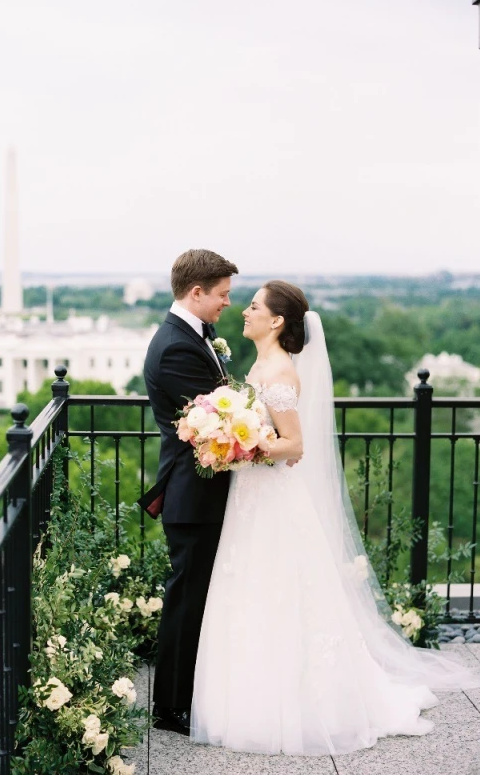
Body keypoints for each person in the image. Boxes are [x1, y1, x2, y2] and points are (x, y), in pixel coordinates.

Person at [191, 280, 480, 756]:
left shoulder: (281, 372)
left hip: (273, 500)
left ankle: (300, 704)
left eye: (254, 305)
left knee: (282, 589)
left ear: (277, 320)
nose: (245, 310)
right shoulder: (260, 363)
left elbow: (295, 445)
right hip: (252, 495)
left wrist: (246, 443)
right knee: (251, 587)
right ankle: (249, 699)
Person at [138, 249, 239, 735]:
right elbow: (213, 424)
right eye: (221, 295)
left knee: (198, 595)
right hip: (193, 496)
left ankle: (191, 693)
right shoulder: (177, 346)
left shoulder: (195, 336)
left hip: (203, 493)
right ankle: (170, 705)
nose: (226, 304)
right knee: (186, 599)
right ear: (195, 292)